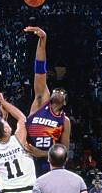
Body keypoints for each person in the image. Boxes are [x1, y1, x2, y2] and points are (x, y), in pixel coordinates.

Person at [23, 26, 71, 177]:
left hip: (47, 164)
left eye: (62, 92)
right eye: (56, 90)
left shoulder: (64, 120)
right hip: (26, 160)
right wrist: (43, 40)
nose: (58, 91)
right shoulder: (40, 103)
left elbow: (64, 152)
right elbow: (39, 70)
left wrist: (42, 153)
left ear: (65, 102)